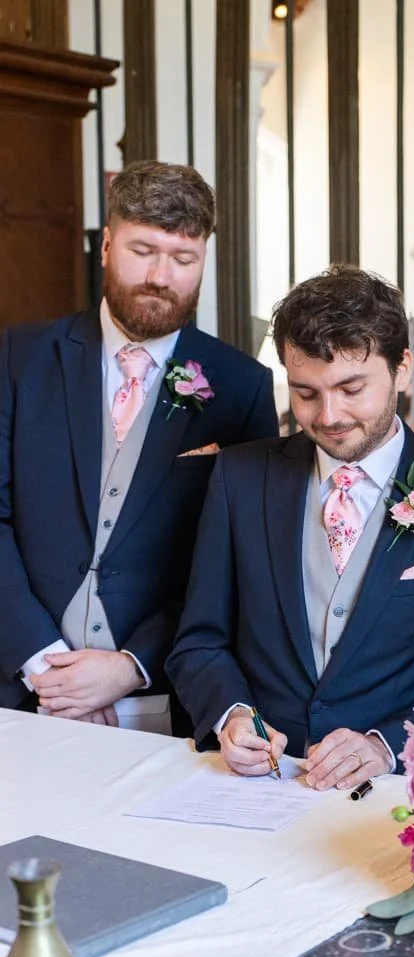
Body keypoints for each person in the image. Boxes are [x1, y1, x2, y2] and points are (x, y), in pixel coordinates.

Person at [166, 265, 414, 790]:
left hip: (392, 793)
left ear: (402, 369)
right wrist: (232, 715)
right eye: (305, 393)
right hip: (255, 788)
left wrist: (385, 744)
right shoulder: (238, 479)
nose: (328, 415)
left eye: (351, 388)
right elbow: (199, 641)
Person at [0, 160, 278, 733]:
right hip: (21, 690)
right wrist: (45, 666)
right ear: (106, 246)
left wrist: (129, 666)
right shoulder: (18, 358)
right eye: (143, 250)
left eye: (183, 259)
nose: (160, 276)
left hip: (161, 702)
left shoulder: (242, 385)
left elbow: (239, 562)